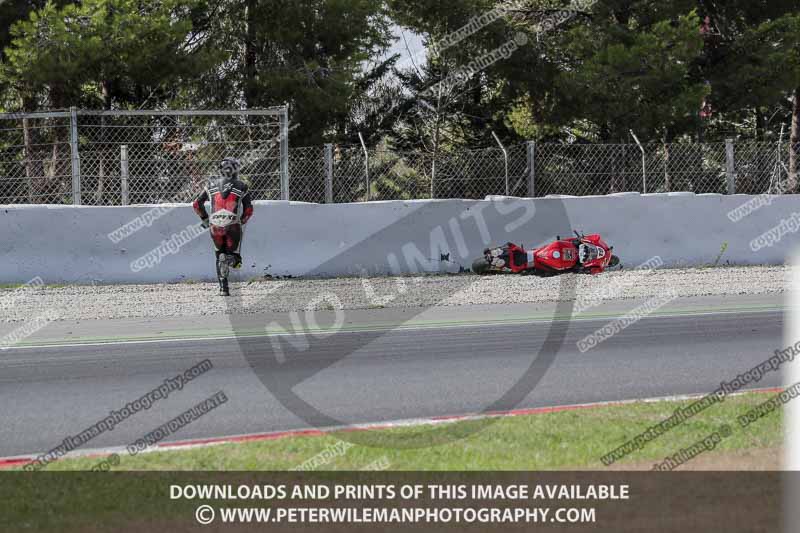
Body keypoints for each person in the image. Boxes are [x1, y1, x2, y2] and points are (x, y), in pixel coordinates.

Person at [192, 157, 253, 296]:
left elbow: (196, 205)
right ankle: (232, 258)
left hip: (215, 225)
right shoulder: (242, 186)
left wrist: (205, 220)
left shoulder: (210, 185)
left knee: (219, 254)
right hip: (233, 225)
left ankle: (223, 289)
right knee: (237, 260)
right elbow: (249, 209)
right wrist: (242, 220)